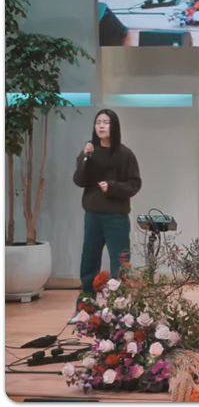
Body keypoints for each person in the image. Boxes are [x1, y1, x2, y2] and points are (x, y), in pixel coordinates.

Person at [70, 109, 141, 324]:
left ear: (114, 126)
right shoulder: (88, 152)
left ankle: (119, 311)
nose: (101, 126)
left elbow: (134, 184)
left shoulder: (125, 154)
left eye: (106, 122)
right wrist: (85, 157)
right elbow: (79, 180)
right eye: (98, 122)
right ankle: (85, 308)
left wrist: (112, 187)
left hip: (116, 217)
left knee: (120, 264)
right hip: (93, 215)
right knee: (89, 261)